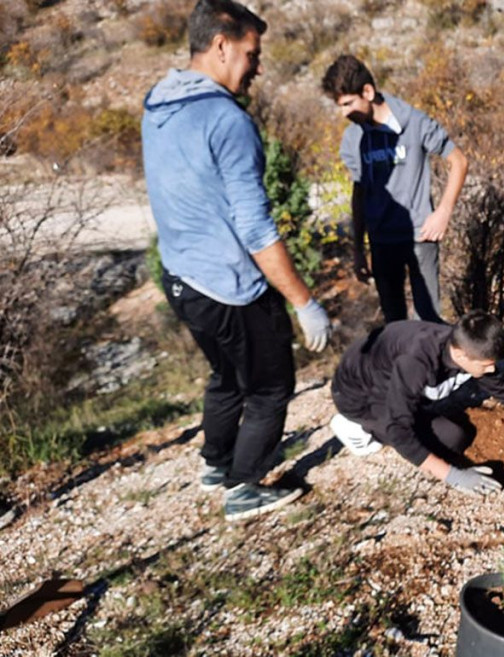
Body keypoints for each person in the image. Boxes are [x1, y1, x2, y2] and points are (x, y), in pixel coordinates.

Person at [142, 0, 332, 522]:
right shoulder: (228, 121)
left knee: (226, 375)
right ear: (221, 45)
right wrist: (304, 301)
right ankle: (243, 487)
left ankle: (215, 464)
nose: (258, 66)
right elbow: (256, 229)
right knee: (271, 386)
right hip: (228, 286)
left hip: (180, 277)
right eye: (252, 53)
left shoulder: (159, 102)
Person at [329, 311, 504, 495]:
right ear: (461, 355)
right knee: (445, 441)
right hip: (359, 396)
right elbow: (399, 430)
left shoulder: (464, 344)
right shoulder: (417, 362)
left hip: (391, 379)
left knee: (455, 436)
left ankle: (409, 405)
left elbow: (501, 390)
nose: (492, 369)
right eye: (486, 365)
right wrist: (453, 476)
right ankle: (355, 427)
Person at [321, 54, 469, 324]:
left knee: (429, 319)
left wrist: (443, 212)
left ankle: (436, 367)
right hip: (380, 240)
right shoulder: (353, 137)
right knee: (395, 324)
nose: (344, 113)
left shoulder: (414, 121)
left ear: (367, 91)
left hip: (420, 236)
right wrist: (358, 247)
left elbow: (458, 160)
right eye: (339, 106)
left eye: (348, 103)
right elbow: (360, 192)